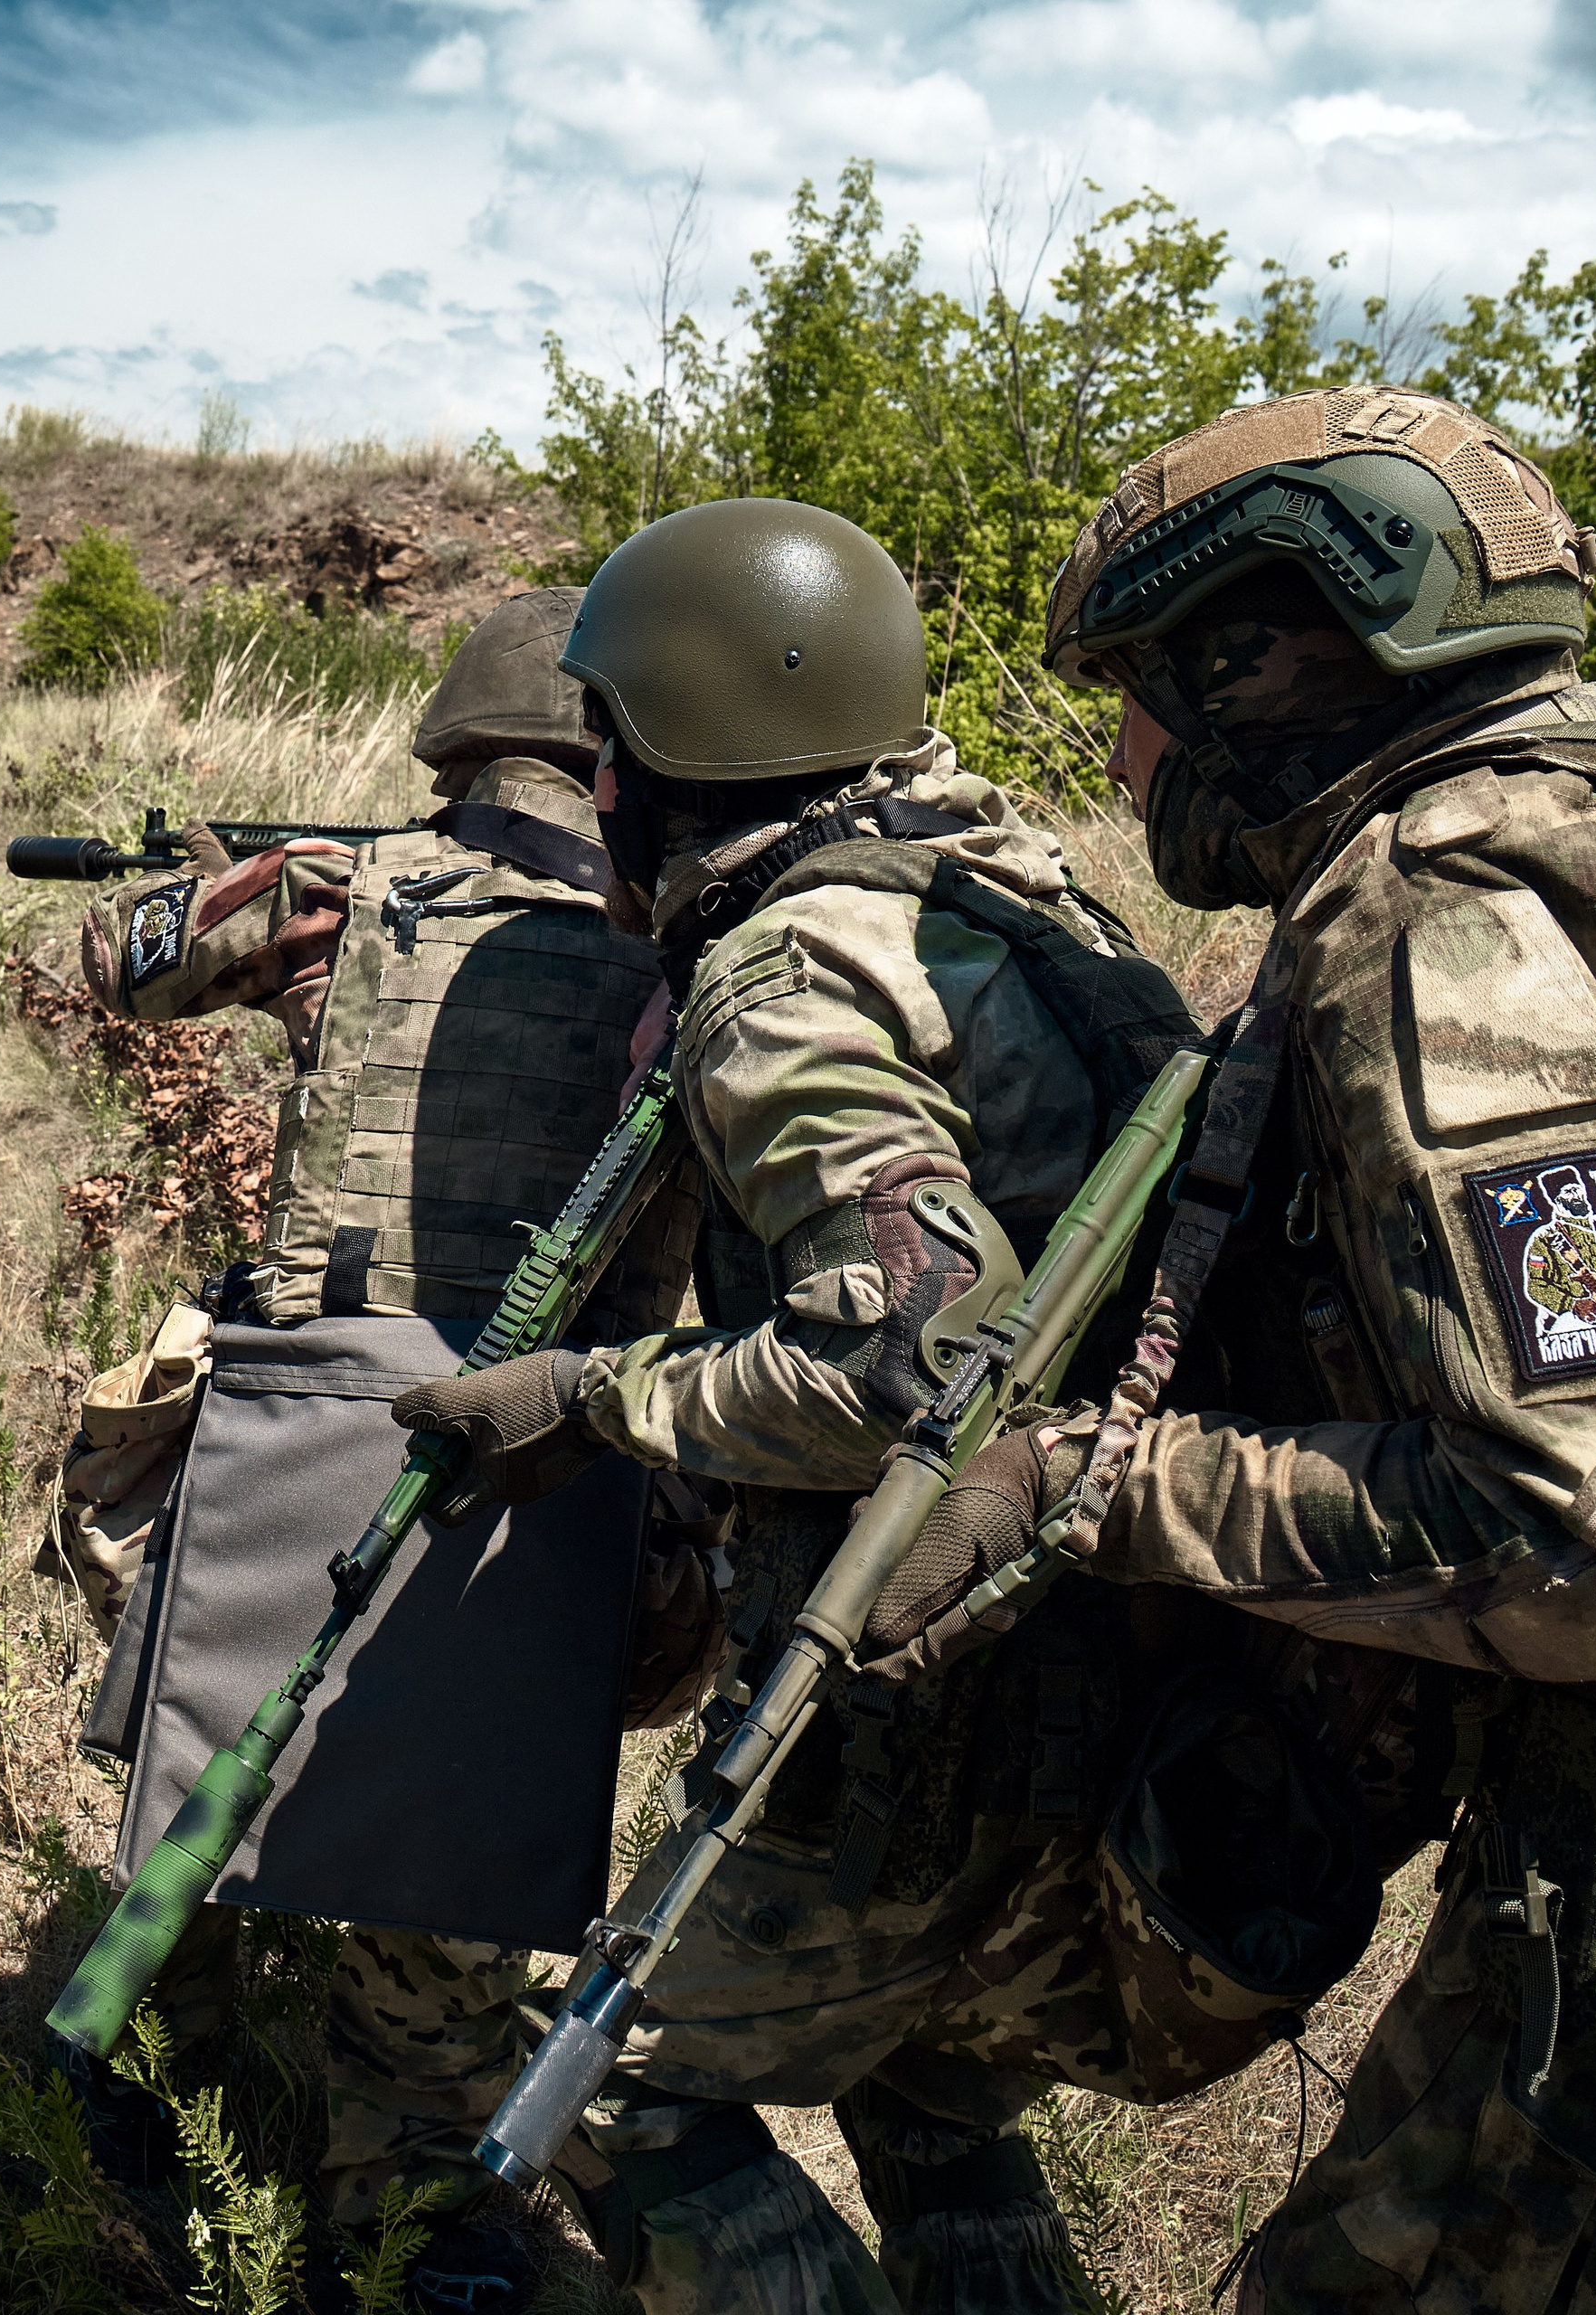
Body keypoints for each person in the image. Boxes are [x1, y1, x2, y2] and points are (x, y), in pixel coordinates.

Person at [900, 383, 1596, 2312]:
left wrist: (1089, 1481)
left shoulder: (1456, 896)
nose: (1127, 750)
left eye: (1142, 688)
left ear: (1269, 658)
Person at [392, 500, 1463, 2313]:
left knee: (608, 2089)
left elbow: (899, 1364)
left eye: (609, 745)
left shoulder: (788, 970)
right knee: (933, 2077)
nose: (596, 786)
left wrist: (590, 1396)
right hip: (1127, 1644)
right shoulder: (1008, 889)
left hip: (927, 1688)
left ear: (678, 745)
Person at [52, 588, 713, 2303]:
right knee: (463, 1859)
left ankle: (156, 2079)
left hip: (302, 1420)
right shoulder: (702, 942)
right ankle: (401, 2202)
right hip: (558, 1444)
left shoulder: (342, 892)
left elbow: (105, 963)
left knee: (207, 1769)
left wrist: (227, 875)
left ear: (454, 750)